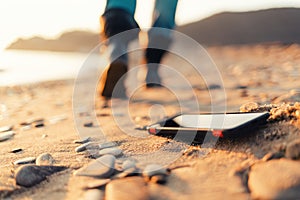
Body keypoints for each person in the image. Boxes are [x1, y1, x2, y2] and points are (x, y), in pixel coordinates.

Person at [99, 0, 178, 99]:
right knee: (165, 9)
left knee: (121, 4)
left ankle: (117, 48)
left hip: (117, 19)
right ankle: (152, 70)